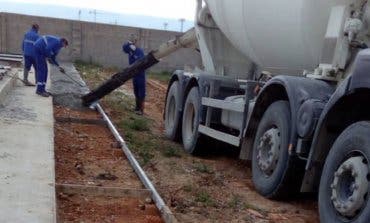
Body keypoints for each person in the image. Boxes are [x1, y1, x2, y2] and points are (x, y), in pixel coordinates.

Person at [122, 34, 146, 115]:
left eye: (133, 41)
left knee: (141, 91)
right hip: (134, 75)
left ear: (136, 42)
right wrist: (128, 44)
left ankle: (141, 110)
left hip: (140, 74)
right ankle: (137, 107)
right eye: (131, 41)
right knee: (136, 91)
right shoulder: (130, 51)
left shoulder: (139, 51)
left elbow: (141, 62)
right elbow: (124, 48)